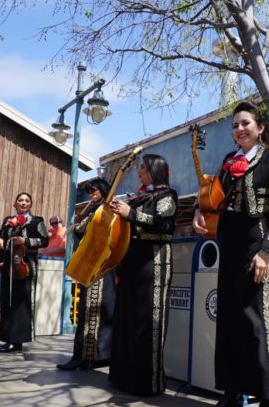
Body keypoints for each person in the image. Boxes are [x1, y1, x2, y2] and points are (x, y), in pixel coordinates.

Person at [192, 101, 269, 407]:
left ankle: (268, 396)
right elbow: (214, 199)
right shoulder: (227, 161)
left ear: (260, 128)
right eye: (235, 125)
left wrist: (266, 252)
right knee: (230, 321)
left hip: (256, 242)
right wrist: (199, 210)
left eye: (246, 123)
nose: (240, 129)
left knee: (259, 323)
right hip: (230, 245)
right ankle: (232, 391)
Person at [108, 154, 178, 395]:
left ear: (154, 171)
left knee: (149, 321)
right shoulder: (139, 196)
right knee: (127, 319)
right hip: (131, 263)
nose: (139, 172)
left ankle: (147, 382)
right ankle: (124, 377)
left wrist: (131, 214)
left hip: (153, 263)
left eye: (143, 168)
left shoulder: (167, 195)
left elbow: (164, 225)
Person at [57, 178, 116, 371]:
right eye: (90, 191)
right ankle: (82, 355)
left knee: (97, 311)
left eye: (94, 191)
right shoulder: (93, 210)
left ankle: (95, 356)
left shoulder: (107, 209)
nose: (91, 194)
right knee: (86, 311)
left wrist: (80, 225)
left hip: (101, 266)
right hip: (89, 265)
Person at [0, 192, 48, 353]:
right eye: (20, 200)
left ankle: (18, 340)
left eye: (27, 201)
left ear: (30, 204)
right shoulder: (8, 221)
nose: (23, 203)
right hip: (9, 266)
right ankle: (8, 338)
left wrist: (26, 241)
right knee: (7, 302)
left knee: (22, 304)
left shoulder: (37, 221)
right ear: (15, 204)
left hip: (26, 267)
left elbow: (44, 240)